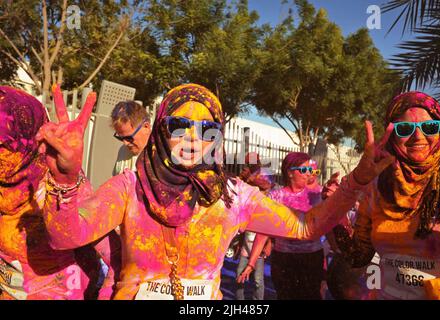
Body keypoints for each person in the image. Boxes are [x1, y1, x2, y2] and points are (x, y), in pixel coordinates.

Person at [36, 83, 393, 300]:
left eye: (207, 129)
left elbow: (306, 226)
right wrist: (66, 178)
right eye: (180, 126)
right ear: (161, 128)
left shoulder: (232, 197)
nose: (194, 139)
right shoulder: (131, 187)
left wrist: (357, 181)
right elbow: (63, 235)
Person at [324, 91, 440, 300]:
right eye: (405, 128)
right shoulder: (377, 187)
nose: (418, 136)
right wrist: (335, 206)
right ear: (392, 135)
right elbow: (358, 256)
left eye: (429, 127)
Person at [0, 86, 117, 300]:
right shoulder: (6, 189)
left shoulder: (60, 185)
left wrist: (107, 294)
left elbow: (118, 260)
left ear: (25, 141)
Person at [238, 153, 326, 299]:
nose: (308, 174)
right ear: (290, 173)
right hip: (284, 260)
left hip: (312, 258)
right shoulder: (275, 197)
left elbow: (329, 227)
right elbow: (263, 233)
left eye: (310, 170)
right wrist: (251, 263)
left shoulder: (317, 195)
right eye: (303, 170)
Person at [235, 159, 274, 300]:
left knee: (258, 281)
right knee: (239, 275)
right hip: (246, 248)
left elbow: (269, 227)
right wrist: (239, 243)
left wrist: (269, 243)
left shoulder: (268, 200)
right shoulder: (249, 197)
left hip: (259, 251)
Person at [111, 101, 151, 175]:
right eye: (121, 138)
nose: (125, 143)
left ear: (146, 127)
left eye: (129, 138)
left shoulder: (161, 156)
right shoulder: (123, 151)